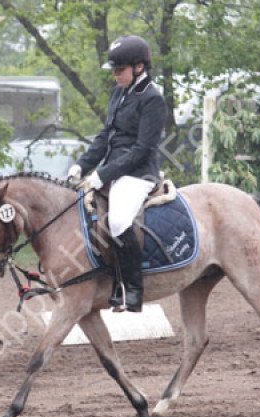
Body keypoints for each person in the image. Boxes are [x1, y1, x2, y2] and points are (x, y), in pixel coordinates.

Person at [68, 35, 167, 313]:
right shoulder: (119, 93)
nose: (115, 75)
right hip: (113, 171)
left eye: (119, 70)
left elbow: (142, 149)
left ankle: (132, 290)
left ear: (139, 67)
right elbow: (105, 136)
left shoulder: (152, 100)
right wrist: (82, 165)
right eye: (113, 70)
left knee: (120, 221)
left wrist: (102, 174)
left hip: (138, 174)